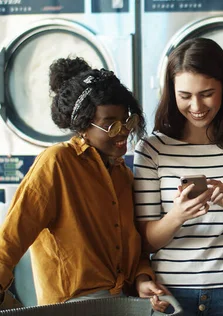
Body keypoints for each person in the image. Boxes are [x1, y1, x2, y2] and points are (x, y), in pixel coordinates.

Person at [0, 57, 169, 308]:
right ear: (82, 126)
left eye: (127, 120)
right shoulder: (57, 163)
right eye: (110, 124)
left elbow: (134, 250)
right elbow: (10, 239)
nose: (122, 131)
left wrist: (143, 279)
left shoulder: (124, 175)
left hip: (123, 304)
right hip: (72, 306)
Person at [133, 38, 223, 315]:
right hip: (170, 292)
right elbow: (145, 242)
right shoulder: (151, 149)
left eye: (207, 93)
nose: (196, 106)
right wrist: (177, 215)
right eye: (185, 96)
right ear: (171, 93)